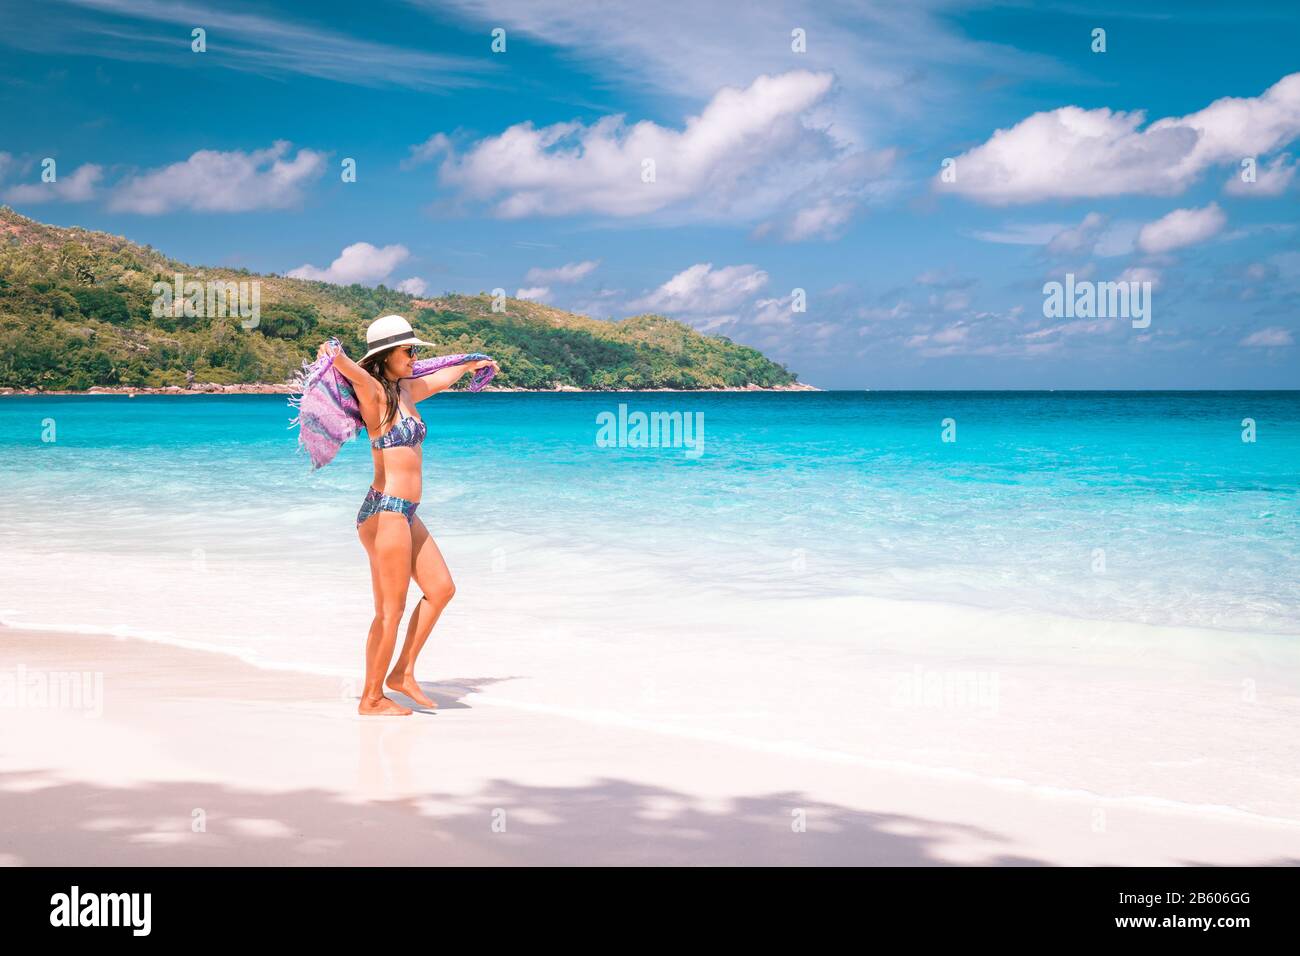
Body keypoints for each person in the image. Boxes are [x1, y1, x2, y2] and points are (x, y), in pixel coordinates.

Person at [316, 315, 499, 716]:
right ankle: (372, 697)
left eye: (416, 351)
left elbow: (444, 377)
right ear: (386, 356)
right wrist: (333, 350)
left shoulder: (407, 391)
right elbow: (343, 363)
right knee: (390, 611)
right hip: (384, 513)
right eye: (409, 351)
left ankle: (402, 673)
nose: (416, 358)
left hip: (407, 513)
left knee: (442, 589)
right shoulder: (374, 394)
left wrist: (473, 365)